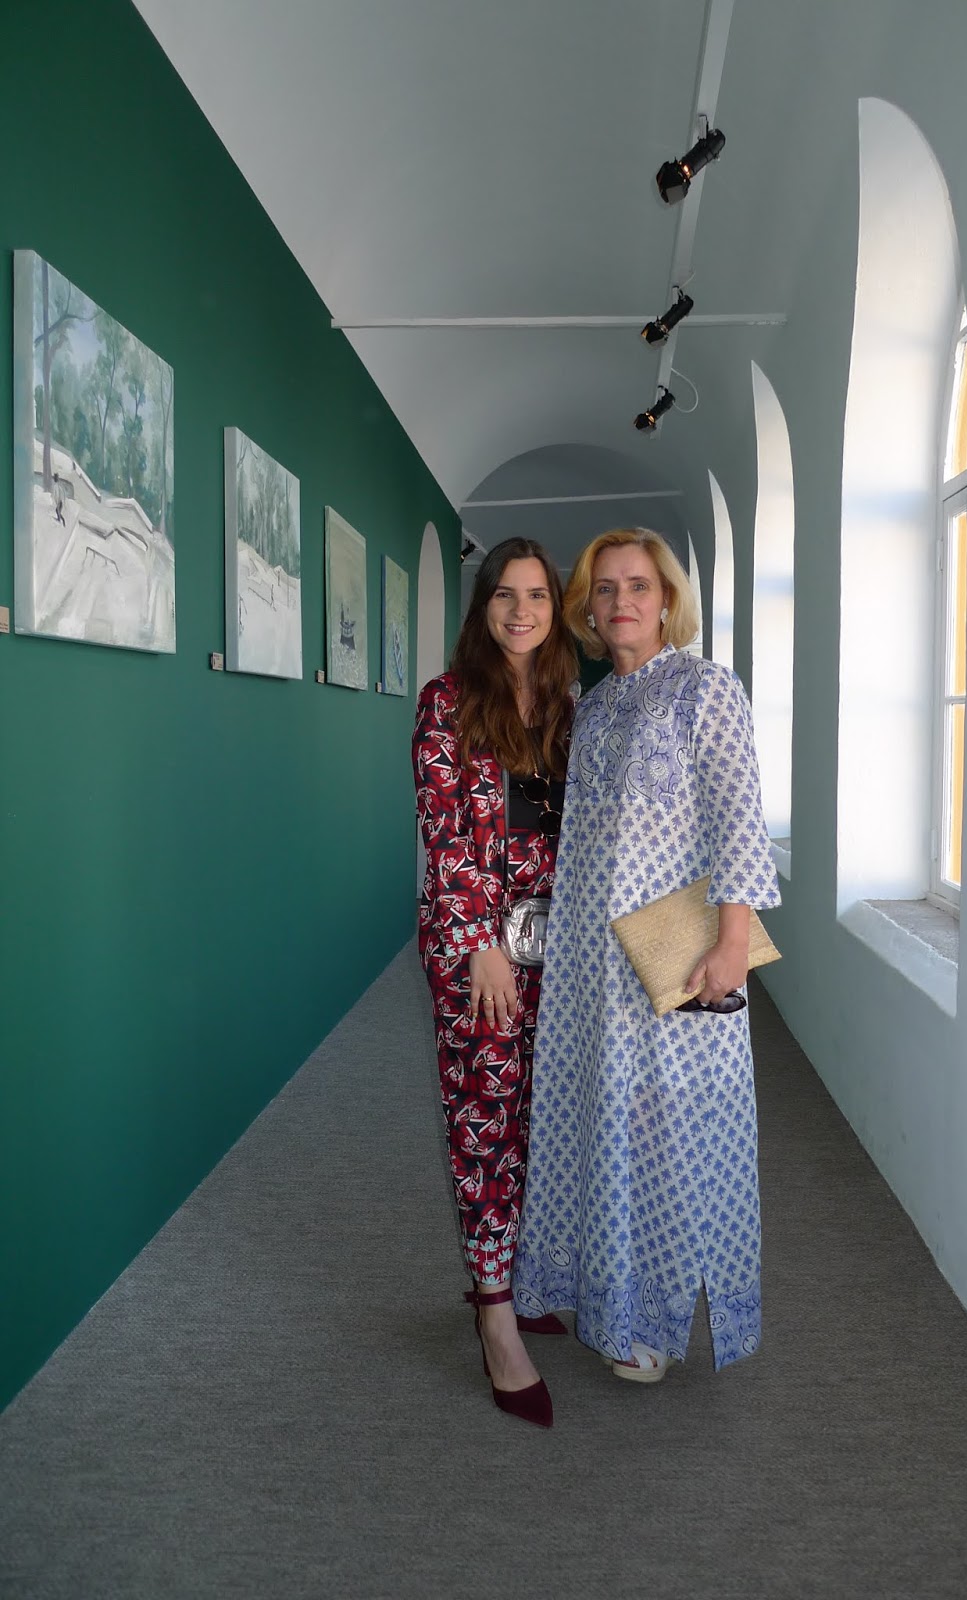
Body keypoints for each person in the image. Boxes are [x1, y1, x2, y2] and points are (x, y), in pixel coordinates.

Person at [513, 527, 781, 1383]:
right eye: (604, 588)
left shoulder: (706, 690)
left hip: (672, 960)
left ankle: (653, 1323)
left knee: (668, 1131)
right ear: (588, 611)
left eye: (638, 585)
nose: (620, 600)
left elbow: (739, 820)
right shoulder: (591, 708)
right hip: (589, 963)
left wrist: (733, 942)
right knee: (598, 1118)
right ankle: (605, 1298)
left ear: (667, 601)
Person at [412, 537, 577, 1428]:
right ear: (483, 607)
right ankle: (496, 1320)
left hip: (560, 948)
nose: (522, 611)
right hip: (478, 949)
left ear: (557, 608)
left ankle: (517, 1276)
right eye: (505, 595)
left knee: (541, 1119)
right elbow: (444, 831)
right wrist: (479, 942)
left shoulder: (566, 705)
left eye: (538, 595)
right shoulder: (448, 701)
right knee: (486, 1120)